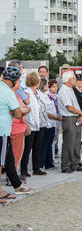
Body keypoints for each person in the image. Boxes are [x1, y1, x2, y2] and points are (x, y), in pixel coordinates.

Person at [0, 67, 34, 201]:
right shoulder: (8, 92)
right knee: (1, 162)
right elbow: (18, 113)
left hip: (4, 131)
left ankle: (17, 185)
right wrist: (22, 111)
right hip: (2, 130)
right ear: (14, 81)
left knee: (9, 159)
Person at [58, 71, 82, 173]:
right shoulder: (64, 90)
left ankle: (75, 163)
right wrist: (81, 113)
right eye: (74, 78)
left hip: (75, 117)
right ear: (69, 80)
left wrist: (79, 114)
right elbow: (69, 107)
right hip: (68, 118)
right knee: (69, 143)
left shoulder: (70, 89)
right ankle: (66, 165)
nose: (76, 80)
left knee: (76, 142)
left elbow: (75, 105)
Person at [20, 71, 47, 177]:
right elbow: (28, 108)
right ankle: (24, 170)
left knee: (37, 147)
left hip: (40, 124)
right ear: (35, 80)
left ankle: (36, 168)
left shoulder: (38, 92)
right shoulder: (27, 93)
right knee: (27, 148)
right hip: (31, 124)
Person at [38, 79, 62, 170]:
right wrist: (56, 118)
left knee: (49, 143)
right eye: (47, 85)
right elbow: (45, 112)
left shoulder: (47, 96)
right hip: (47, 122)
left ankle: (49, 163)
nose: (48, 86)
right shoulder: (42, 96)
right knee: (44, 144)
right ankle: (41, 164)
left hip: (52, 123)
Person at [10, 74, 30, 175]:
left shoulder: (15, 94)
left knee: (16, 154)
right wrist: (23, 111)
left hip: (19, 128)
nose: (20, 83)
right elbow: (19, 110)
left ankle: (13, 175)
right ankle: (12, 176)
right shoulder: (9, 94)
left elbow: (26, 108)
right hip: (14, 128)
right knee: (14, 154)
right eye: (18, 81)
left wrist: (24, 111)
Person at [48, 79, 61, 158]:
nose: (55, 88)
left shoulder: (58, 96)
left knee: (56, 138)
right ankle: (51, 157)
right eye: (53, 86)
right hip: (51, 119)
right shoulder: (48, 96)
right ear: (49, 87)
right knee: (52, 139)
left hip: (58, 119)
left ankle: (55, 153)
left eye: (56, 86)